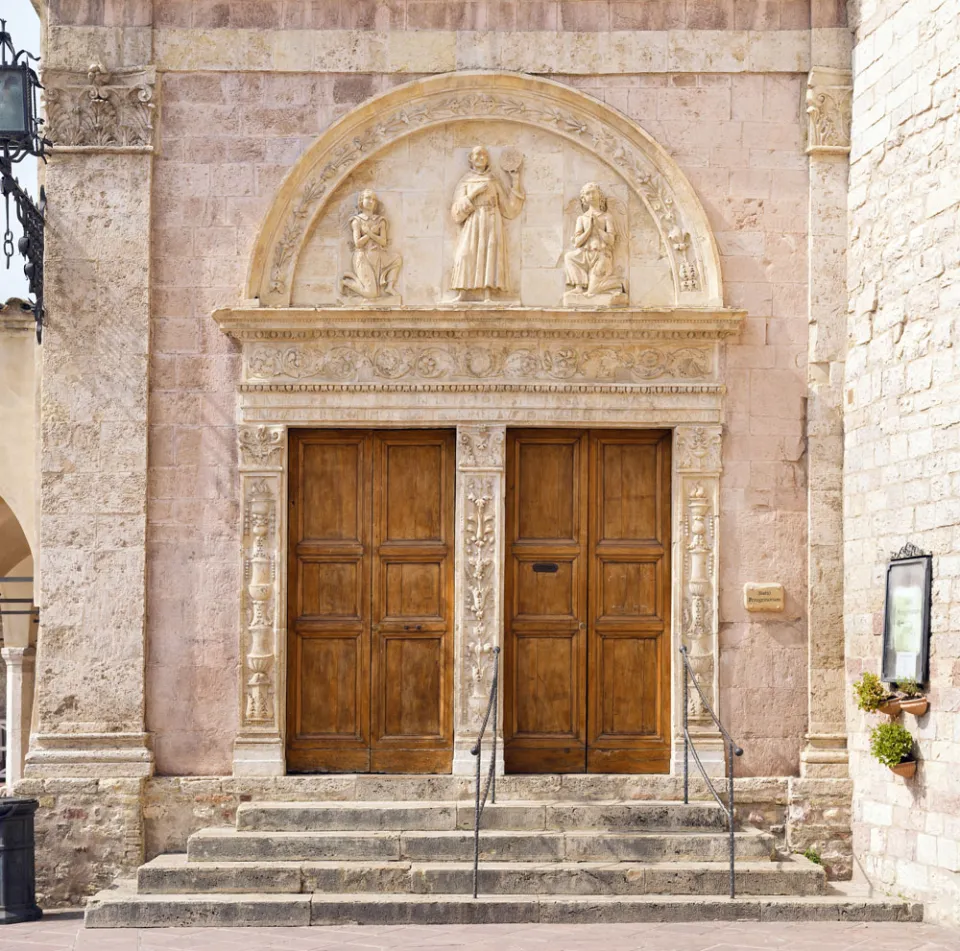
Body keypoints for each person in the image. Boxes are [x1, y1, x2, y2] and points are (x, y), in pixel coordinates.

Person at [450, 146, 524, 302]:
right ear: (470, 158)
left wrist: (515, 182)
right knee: (464, 254)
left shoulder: (493, 180)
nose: (481, 157)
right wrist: (473, 193)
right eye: (477, 154)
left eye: (484, 154)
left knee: (491, 254)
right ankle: (462, 293)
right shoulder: (465, 181)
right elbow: (456, 212)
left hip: (491, 221)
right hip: (472, 222)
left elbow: (508, 208)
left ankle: (487, 294)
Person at [563, 182, 625, 298]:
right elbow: (577, 242)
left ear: (599, 195)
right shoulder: (581, 218)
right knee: (569, 257)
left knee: (592, 293)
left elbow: (611, 241)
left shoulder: (606, 216)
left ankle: (617, 284)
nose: (591, 195)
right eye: (587, 193)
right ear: (584, 198)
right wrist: (589, 230)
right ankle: (579, 286)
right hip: (585, 254)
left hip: (601, 255)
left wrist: (597, 228)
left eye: (593, 192)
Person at [340, 189, 402, 300]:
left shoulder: (380, 220)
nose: (371, 201)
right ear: (361, 201)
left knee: (397, 259)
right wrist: (371, 233)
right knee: (372, 293)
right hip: (362, 257)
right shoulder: (357, 221)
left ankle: (389, 287)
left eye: (373, 199)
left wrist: (369, 233)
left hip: (378, 255)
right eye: (368, 198)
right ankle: (346, 282)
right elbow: (358, 243)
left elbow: (383, 241)